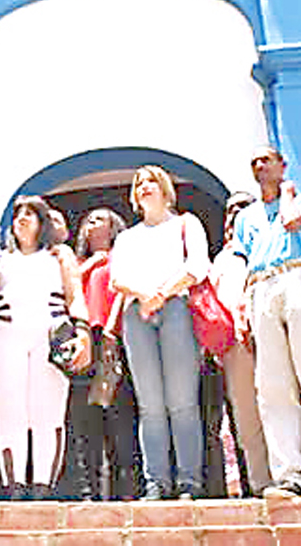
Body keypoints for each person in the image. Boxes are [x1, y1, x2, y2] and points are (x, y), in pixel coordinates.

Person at [232, 146, 301, 502]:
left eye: (267, 160)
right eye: (254, 162)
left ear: (282, 166)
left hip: (297, 276)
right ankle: (287, 472)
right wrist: (244, 306)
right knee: (273, 385)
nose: (260, 165)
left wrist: (288, 191)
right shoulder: (245, 218)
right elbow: (246, 262)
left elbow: (294, 222)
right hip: (262, 284)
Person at [0, 195, 90, 498]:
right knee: (8, 411)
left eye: (31, 214)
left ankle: (42, 486)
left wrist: (83, 332)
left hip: (49, 335)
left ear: (43, 222)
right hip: (5, 335)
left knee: (48, 412)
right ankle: (14, 485)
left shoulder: (59, 255)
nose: (22, 219)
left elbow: (75, 294)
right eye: (18, 214)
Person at [109, 165, 209, 500]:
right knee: (150, 405)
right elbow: (117, 278)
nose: (144, 187)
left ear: (165, 188)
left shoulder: (185, 223)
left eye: (151, 181)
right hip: (137, 316)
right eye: (138, 184)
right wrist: (144, 297)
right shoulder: (126, 237)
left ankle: (189, 481)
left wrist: (160, 295)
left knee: (182, 401)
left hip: (176, 309)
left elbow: (196, 266)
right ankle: (156, 482)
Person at [65, 207, 139, 500]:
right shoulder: (76, 262)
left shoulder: (124, 255)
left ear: (114, 227)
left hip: (116, 338)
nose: (92, 225)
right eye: (88, 220)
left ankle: (127, 491)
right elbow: (67, 288)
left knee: (121, 417)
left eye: (100, 219)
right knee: (87, 419)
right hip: (84, 341)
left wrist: (111, 330)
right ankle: (90, 492)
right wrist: (92, 263)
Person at [208, 191, 272, 497]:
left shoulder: (271, 242)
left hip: (275, 334)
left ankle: (292, 475)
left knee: (284, 406)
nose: (236, 213)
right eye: (231, 210)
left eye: (244, 208)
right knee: (247, 417)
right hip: (235, 345)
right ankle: (261, 484)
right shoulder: (220, 260)